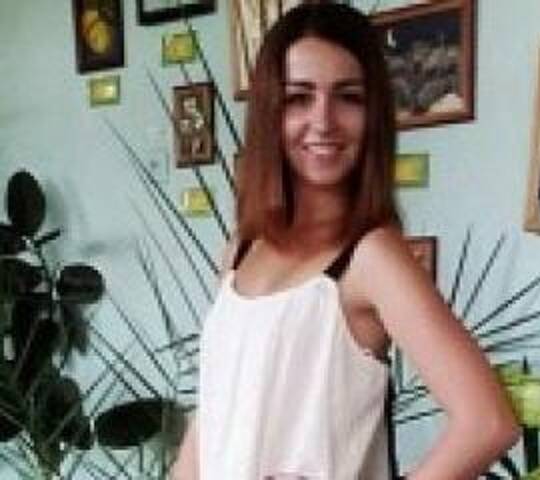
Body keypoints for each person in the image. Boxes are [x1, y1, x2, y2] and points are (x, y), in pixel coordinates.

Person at [172, 3, 520, 479]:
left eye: (348, 97)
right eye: (299, 98)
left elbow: (488, 423)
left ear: (373, 114)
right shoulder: (241, 249)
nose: (324, 121)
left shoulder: (371, 257)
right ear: (270, 112)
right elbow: (214, 414)